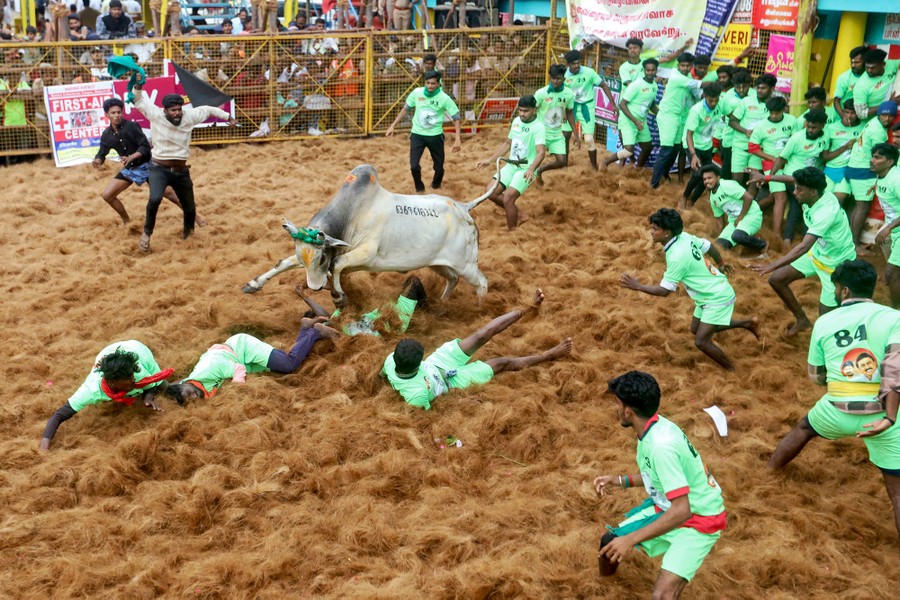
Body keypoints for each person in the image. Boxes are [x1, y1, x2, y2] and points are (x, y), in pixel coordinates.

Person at [767, 259, 900, 541]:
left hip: (836, 409)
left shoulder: (825, 322)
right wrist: (889, 416)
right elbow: (895, 370)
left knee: (803, 429)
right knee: (898, 494)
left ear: (843, 290)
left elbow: (815, 376)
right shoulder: (893, 317)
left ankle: (768, 472)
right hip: (885, 417)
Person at [594, 371, 726, 598]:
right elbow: (657, 476)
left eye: (617, 403)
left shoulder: (661, 446)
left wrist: (630, 539)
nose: (616, 409)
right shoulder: (655, 426)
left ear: (628, 410)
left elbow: (682, 510)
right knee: (609, 542)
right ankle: (605, 587)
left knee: (662, 596)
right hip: (670, 506)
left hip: (699, 518)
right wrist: (620, 480)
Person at [381, 289, 573, 409]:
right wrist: (461, 402)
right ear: (415, 366)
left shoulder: (390, 360)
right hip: (452, 383)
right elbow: (433, 412)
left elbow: (383, 373)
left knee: (482, 334)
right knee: (502, 363)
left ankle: (527, 308)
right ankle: (548, 355)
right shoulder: (416, 396)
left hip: (438, 361)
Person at [620, 208, 758, 371]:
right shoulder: (684, 237)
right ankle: (747, 323)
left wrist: (638, 286)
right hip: (708, 293)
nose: (651, 232)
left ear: (667, 233)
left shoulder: (677, 256)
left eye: (655, 229)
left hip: (716, 297)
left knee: (701, 342)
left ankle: (732, 369)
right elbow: (709, 246)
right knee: (696, 329)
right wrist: (720, 264)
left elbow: (665, 291)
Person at [749, 167, 857, 335]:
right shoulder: (814, 191)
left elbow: (803, 246)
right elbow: (792, 179)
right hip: (817, 254)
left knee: (824, 319)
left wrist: (773, 264)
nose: (795, 192)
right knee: (777, 279)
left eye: (799, 189)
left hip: (835, 265)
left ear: (813, 192)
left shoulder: (826, 212)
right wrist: (766, 177)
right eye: (796, 187)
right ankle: (802, 320)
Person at [131, 81, 236, 252]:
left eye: (179, 109)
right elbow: (139, 101)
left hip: (181, 170)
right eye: (173, 110)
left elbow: (209, 109)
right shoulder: (155, 114)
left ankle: (189, 235)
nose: (177, 113)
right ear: (165, 110)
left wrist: (228, 117)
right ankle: (146, 234)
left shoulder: (189, 116)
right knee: (155, 199)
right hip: (159, 168)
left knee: (190, 207)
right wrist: (137, 86)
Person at [164, 318, 338, 405]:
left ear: (186, 383)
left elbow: (238, 370)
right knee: (280, 371)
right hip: (239, 357)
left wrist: (238, 392)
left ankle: (315, 332)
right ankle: (305, 327)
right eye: (188, 399)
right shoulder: (195, 386)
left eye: (188, 392)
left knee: (289, 365)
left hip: (243, 347)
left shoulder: (209, 369)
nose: (192, 397)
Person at [93, 97, 205, 227]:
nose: (117, 115)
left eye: (119, 112)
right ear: (107, 115)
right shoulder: (107, 134)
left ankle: (196, 217)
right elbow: (102, 152)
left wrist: (133, 156)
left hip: (149, 165)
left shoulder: (132, 126)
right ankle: (127, 221)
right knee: (107, 195)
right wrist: (98, 160)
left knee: (170, 194)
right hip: (131, 168)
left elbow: (145, 147)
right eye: (113, 113)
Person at [39, 341, 173, 450]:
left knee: (166, 388)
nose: (133, 380)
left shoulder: (138, 373)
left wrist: (148, 397)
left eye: (132, 376)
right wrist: (44, 446)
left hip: (137, 349)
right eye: (128, 380)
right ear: (113, 382)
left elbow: (151, 385)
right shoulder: (91, 390)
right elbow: (59, 415)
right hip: (106, 353)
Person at [476, 95, 545, 231]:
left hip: (525, 169)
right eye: (520, 110)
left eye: (526, 111)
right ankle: (519, 215)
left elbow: (541, 152)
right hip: (511, 165)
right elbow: (508, 143)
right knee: (490, 192)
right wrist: (489, 160)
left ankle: (512, 232)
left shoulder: (539, 127)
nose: (522, 114)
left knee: (508, 198)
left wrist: (531, 169)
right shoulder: (516, 121)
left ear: (534, 110)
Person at [386, 69, 461, 192]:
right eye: (428, 83)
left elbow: (456, 117)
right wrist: (393, 125)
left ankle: (436, 185)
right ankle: (419, 189)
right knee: (414, 166)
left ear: (438, 84)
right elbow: (405, 109)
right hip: (417, 134)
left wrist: (457, 139)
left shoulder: (444, 98)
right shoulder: (417, 93)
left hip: (435, 136)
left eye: (433, 83)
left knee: (439, 168)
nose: (430, 86)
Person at [767, 108, 829, 249]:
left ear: (822, 126)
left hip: (812, 180)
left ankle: (801, 240)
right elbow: (781, 159)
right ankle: (790, 241)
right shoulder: (796, 138)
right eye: (809, 126)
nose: (811, 130)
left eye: (814, 127)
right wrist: (770, 177)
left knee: (807, 209)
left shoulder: (825, 137)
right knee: (797, 208)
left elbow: (822, 157)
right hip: (793, 179)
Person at [297, 275, 427, 337]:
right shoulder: (334, 324)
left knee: (407, 284)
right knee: (413, 282)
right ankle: (425, 310)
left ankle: (419, 310)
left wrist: (305, 298)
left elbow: (323, 315)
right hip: (393, 323)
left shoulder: (335, 317)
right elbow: (321, 319)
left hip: (384, 315)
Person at [847, 101, 898, 254]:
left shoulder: (872, 122)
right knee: (861, 208)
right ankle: (854, 245)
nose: (887, 119)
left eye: (890, 116)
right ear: (878, 114)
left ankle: (850, 243)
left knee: (856, 207)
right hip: (864, 170)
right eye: (884, 114)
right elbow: (882, 154)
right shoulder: (878, 131)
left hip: (856, 166)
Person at [649, 53, 705, 189]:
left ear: (691, 66)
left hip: (680, 118)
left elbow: (697, 93)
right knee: (667, 149)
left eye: (688, 65)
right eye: (683, 65)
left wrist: (707, 96)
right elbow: (701, 84)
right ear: (678, 65)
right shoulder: (675, 77)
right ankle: (653, 183)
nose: (685, 68)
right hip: (668, 116)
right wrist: (714, 87)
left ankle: (665, 174)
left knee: (674, 150)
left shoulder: (688, 77)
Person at [562, 49, 613, 171]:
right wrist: (562, 110)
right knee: (565, 135)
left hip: (587, 108)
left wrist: (612, 103)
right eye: (573, 63)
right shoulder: (563, 76)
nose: (576, 65)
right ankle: (563, 163)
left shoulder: (589, 72)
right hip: (570, 108)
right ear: (568, 64)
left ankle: (594, 166)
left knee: (589, 139)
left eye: (578, 63)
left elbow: (603, 85)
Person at [604, 58, 658, 170]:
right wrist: (635, 122)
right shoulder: (636, 85)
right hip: (628, 119)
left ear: (656, 71)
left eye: (653, 70)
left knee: (647, 147)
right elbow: (622, 105)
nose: (650, 72)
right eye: (648, 70)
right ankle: (606, 162)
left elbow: (651, 103)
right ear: (644, 70)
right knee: (628, 150)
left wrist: (660, 114)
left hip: (641, 121)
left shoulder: (655, 86)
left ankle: (637, 170)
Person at [701, 164, 766, 254]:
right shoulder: (713, 198)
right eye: (704, 179)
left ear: (718, 177)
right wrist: (720, 237)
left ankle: (762, 245)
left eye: (709, 178)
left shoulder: (727, 185)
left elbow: (749, 198)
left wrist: (740, 218)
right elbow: (720, 220)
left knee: (737, 236)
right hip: (734, 221)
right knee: (718, 247)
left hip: (751, 215)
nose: (707, 181)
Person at [728, 73, 776, 186]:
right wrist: (746, 131)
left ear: (772, 88)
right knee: (736, 183)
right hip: (740, 147)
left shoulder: (775, 106)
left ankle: (750, 203)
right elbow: (732, 121)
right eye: (758, 87)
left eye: (763, 88)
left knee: (754, 182)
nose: (759, 90)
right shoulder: (746, 101)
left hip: (759, 151)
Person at [681, 83, 722, 209]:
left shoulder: (720, 105)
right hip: (692, 145)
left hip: (707, 145)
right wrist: (693, 155)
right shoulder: (696, 111)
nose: (714, 103)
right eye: (711, 100)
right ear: (704, 96)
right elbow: (689, 135)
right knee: (698, 174)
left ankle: (692, 201)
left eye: (716, 100)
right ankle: (684, 197)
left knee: (707, 176)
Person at [533, 63, 576, 184]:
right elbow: (532, 110)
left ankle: (540, 170)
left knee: (562, 162)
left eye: (558, 78)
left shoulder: (568, 94)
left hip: (557, 133)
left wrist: (575, 133)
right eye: (553, 78)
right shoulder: (541, 93)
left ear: (564, 79)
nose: (555, 81)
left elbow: (570, 113)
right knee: (535, 158)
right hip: (541, 133)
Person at [871, 144, 900, 306]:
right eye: (873, 156)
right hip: (894, 227)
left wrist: (888, 228)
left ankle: (896, 312)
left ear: (889, 162)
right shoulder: (882, 174)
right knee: (881, 239)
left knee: (890, 274)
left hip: (896, 228)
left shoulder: (896, 179)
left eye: (877, 158)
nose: (872, 160)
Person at [715, 70, 752, 180]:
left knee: (746, 169)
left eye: (744, 87)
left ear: (750, 85)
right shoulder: (728, 97)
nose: (741, 90)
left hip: (746, 139)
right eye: (738, 87)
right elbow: (722, 117)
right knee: (727, 167)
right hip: (729, 138)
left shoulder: (755, 95)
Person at [822, 99, 864, 193]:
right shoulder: (831, 128)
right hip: (830, 169)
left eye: (853, 113)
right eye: (846, 112)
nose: (849, 116)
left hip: (848, 170)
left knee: (838, 199)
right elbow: (825, 157)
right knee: (824, 199)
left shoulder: (864, 127)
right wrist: (845, 147)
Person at [853, 48, 900, 121]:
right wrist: (888, 104)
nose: (869, 70)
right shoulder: (860, 86)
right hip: (876, 121)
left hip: (894, 114)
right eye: (867, 67)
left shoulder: (891, 65)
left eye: (873, 68)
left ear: (883, 64)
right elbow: (861, 114)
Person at [833, 46, 868, 122]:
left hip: (862, 118)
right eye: (852, 62)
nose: (853, 65)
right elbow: (836, 101)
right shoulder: (844, 78)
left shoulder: (870, 76)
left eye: (857, 62)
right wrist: (843, 117)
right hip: (842, 118)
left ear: (865, 62)